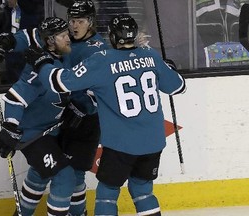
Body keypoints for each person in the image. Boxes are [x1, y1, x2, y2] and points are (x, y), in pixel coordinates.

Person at [24, 14, 186, 215]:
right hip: (153, 141)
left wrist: (41, 63)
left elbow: (60, 82)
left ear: (112, 36)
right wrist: (168, 68)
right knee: (143, 191)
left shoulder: (103, 60)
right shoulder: (151, 55)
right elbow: (179, 86)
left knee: (107, 193)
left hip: (122, 144)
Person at [0, 17, 77, 216]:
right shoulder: (38, 70)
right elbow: (15, 98)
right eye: (64, 36)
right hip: (34, 136)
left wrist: (11, 41)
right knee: (65, 177)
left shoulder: (62, 56)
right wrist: (11, 127)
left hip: (51, 130)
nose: (69, 38)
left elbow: (30, 35)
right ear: (50, 41)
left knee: (40, 176)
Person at [60, 1, 109, 215]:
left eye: (80, 21)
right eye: (72, 21)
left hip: (87, 122)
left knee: (76, 173)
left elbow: (103, 88)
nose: (74, 26)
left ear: (90, 22)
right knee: (59, 171)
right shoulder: (63, 41)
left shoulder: (100, 50)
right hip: (61, 115)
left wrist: (83, 107)